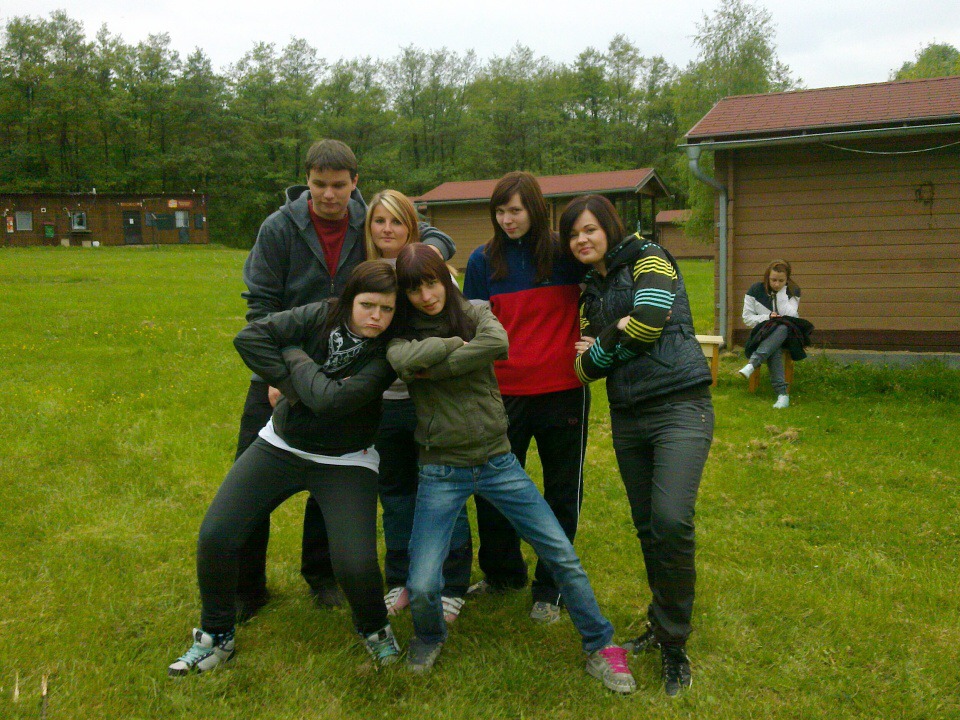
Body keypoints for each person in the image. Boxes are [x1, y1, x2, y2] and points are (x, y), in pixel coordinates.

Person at [386, 243, 635, 694]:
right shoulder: (401, 336)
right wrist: (457, 348)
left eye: (431, 283)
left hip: (498, 461)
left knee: (562, 556)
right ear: (405, 295)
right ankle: (429, 635)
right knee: (421, 585)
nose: (426, 296)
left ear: (445, 278)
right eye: (414, 289)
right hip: (441, 470)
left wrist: (434, 365)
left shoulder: (476, 311)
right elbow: (402, 362)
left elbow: (499, 344)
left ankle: (601, 645)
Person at [234, 140, 455, 618]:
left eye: (339, 185)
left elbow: (433, 234)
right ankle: (245, 588)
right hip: (284, 360)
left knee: (330, 471)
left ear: (355, 182)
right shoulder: (279, 228)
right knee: (251, 479)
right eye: (319, 185)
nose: (329, 195)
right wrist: (277, 374)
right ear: (306, 181)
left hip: (346, 371)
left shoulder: (368, 220)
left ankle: (323, 575)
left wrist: (425, 254)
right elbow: (260, 304)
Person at [169, 261, 403, 675]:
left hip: (346, 459)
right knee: (217, 535)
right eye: (368, 305)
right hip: (281, 445)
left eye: (387, 309)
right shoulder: (320, 313)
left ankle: (375, 630)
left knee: (355, 566)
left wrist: (294, 355)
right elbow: (250, 337)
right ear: (349, 300)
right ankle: (216, 637)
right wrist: (294, 386)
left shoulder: (389, 350)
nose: (376, 317)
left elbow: (331, 402)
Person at [561, 195, 713, 697]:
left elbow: (647, 323)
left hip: (679, 405)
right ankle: (662, 623)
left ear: (608, 226)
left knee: (671, 520)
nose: (581, 240)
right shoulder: (590, 291)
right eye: (573, 235)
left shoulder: (650, 256)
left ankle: (675, 643)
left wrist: (608, 342)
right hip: (628, 417)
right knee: (649, 527)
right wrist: (615, 332)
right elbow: (583, 368)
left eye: (589, 229)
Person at [462, 172, 589, 624]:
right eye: (499, 211)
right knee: (492, 489)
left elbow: (600, 296)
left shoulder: (565, 254)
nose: (507, 220)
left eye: (515, 210)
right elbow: (472, 326)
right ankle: (502, 574)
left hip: (563, 392)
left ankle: (550, 587)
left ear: (534, 209)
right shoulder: (482, 261)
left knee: (561, 491)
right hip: (501, 393)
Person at [364, 190, 472, 622]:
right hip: (385, 403)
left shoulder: (434, 272)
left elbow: (462, 327)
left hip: (434, 401)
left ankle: (453, 581)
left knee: (445, 491)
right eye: (379, 221)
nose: (387, 230)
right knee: (395, 493)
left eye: (396, 221)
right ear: (369, 228)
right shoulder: (367, 275)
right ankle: (400, 577)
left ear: (413, 226)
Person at [738, 259, 814, 409]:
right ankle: (782, 395)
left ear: (787, 280)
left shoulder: (792, 290)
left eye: (781, 281)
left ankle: (753, 363)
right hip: (762, 334)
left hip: (788, 336)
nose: (777, 284)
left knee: (783, 327)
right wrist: (767, 317)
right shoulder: (755, 290)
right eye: (773, 280)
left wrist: (781, 294)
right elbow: (747, 318)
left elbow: (790, 316)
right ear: (767, 277)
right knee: (775, 347)